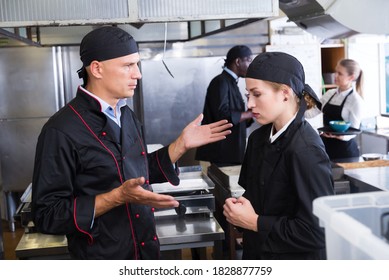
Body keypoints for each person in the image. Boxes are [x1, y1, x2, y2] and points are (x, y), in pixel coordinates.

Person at [31, 26, 232, 260]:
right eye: (128, 65)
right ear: (97, 68)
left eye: (137, 64)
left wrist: (180, 145)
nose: (138, 74)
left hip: (144, 251)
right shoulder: (61, 130)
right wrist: (116, 197)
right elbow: (47, 215)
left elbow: (136, 172)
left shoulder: (126, 115)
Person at [222, 52, 335, 260]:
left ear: (285, 93)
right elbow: (256, 195)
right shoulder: (257, 138)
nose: (249, 104)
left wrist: (254, 222)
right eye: (248, 95)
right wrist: (239, 208)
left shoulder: (305, 150)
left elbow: (317, 231)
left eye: (257, 94)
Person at [195, 45, 254, 166]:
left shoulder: (232, 82)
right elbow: (222, 116)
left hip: (231, 152)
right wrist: (248, 113)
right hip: (222, 153)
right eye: (249, 60)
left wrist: (250, 111)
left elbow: (238, 121)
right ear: (238, 61)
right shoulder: (220, 82)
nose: (251, 66)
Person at [319, 59, 364, 160]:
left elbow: (354, 130)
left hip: (345, 151)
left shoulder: (356, 100)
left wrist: (338, 136)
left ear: (351, 77)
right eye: (335, 72)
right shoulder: (329, 94)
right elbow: (311, 113)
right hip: (326, 147)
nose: (335, 75)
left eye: (340, 73)